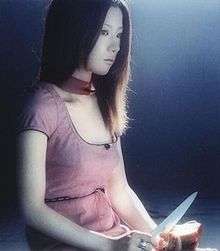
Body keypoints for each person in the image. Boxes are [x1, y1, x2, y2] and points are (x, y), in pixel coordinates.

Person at [16, 0, 202, 250]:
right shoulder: (42, 107)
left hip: (112, 234)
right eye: (104, 32)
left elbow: (120, 190)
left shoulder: (103, 101)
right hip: (66, 243)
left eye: (119, 35)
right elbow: (32, 210)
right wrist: (110, 246)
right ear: (74, 30)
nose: (115, 46)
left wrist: (157, 238)